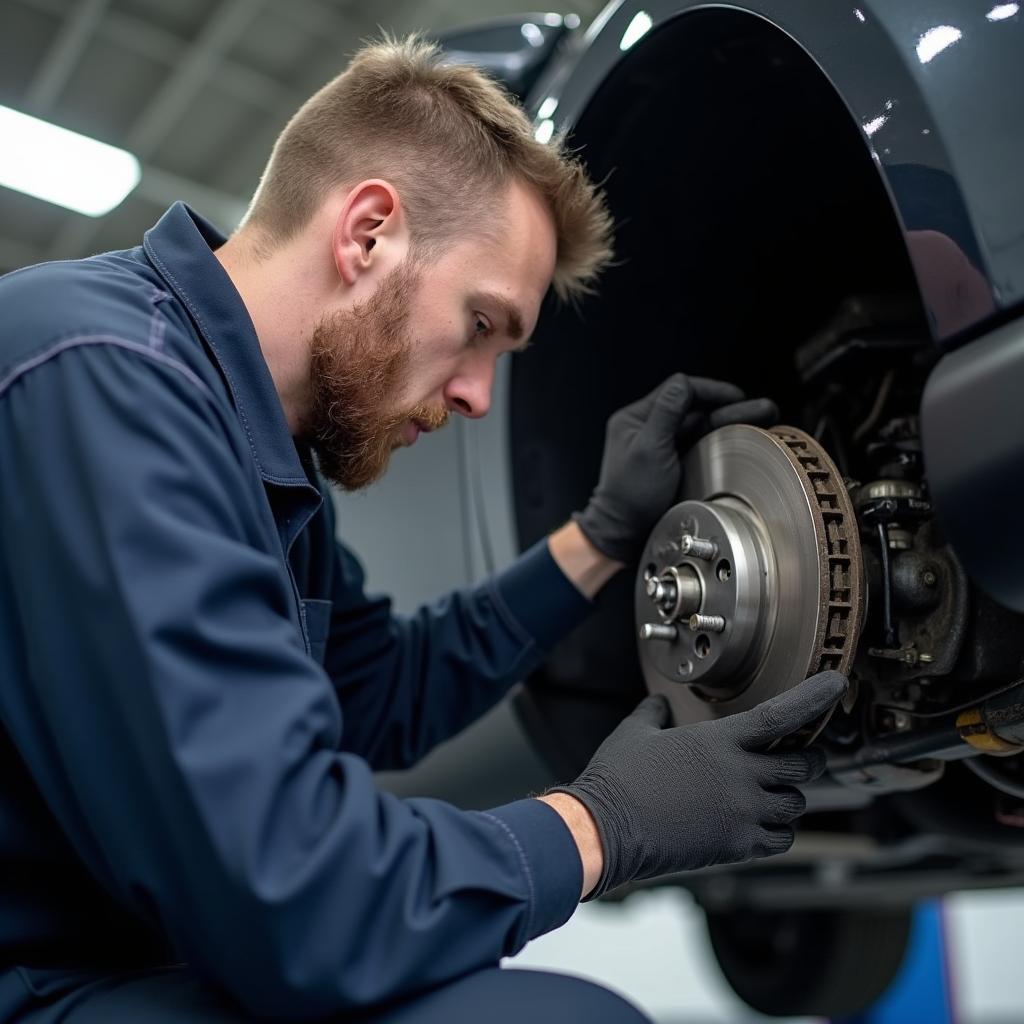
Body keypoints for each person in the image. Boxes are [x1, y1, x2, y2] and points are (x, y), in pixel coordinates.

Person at [0, 36, 845, 1024]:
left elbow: (380, 691)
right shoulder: (100, 377)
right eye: (481, 325)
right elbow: (298, 898)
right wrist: (602, 824)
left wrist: (601, 534)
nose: (478, 395)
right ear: (367, 235)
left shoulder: (257, 457)